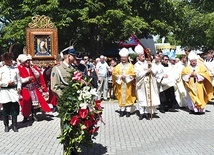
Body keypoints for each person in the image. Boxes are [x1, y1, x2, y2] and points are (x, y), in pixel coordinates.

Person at [17, 54, 51, 123]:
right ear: (23, 62)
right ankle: (25, 117)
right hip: (25, 88)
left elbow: (38, 76)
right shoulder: (19, 68)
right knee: (26, 102)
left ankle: (34, 114)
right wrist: (27, 79)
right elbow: (19, 79)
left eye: (28, 61)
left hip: (33, 87)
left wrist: (34, 69)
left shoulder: (31, 68)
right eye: (26, 61)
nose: (28, 63)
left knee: (35, 102)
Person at [134, 44, 160, 120]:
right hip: (141, 84)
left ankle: (148, 112)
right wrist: (146, 71)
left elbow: (156, 72)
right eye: (141, 55)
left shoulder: (148, 63)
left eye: (143, 54)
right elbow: (137, 74)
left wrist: (151, 67)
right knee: (142, 98)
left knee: (149, 98)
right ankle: (141, 113)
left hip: (150, 83)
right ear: (138, 57)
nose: (143, 56)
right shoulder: (136, 65)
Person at [0, 52, 21, 132]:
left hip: (13, 91)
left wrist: (19, 87)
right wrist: (6, 83)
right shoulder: (1, 70)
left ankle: (15, 125)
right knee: (5, 109)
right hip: (5, 91)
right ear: (5, 60)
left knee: (14, 108)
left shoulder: (15, 69)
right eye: (8, 59)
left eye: (11, 59)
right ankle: (6, 125)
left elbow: (19, 80)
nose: (10, 61)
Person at [112, 48, 136, 117]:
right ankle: (122, 110)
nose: (123, 59)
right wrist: (120, 76)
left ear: (127, 57)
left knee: (129, 96)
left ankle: (128, 111)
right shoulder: (117, 66)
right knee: (121, 96)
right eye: (122, 57)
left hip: (128, 84)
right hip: (121, 84)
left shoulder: (131, 66)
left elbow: (134, 74)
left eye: (125, 57)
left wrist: (127, 77)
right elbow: (114, 74)